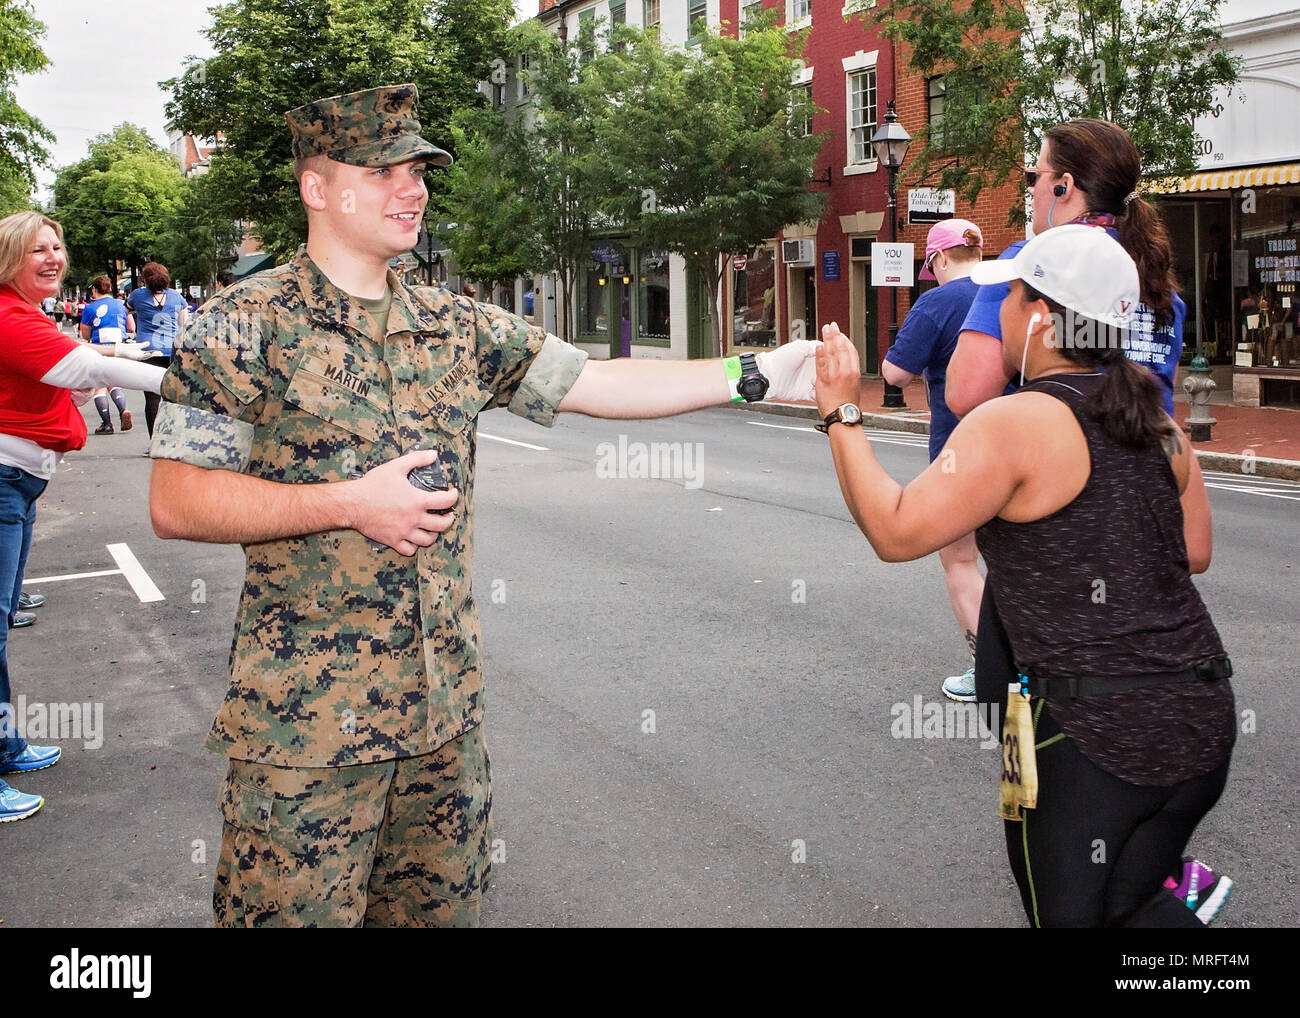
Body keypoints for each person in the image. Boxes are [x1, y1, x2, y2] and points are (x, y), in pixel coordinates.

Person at [147, 83, 820, 927]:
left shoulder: (455, 324)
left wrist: (753, 373)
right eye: (385, 168)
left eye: (420, 169)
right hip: (306, 743)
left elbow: (596, 380)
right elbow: (177, 499)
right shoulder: (240, 325)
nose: (413, 188)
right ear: (317, 186)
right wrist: (349, 503)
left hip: (443, 730)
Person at [815, 225, 1234, 927]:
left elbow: (895, 529)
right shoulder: (1160, 425)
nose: (1001, 311)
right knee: (1130, 906)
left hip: (1093, 736)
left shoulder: (1013, 423)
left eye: (1009, 295)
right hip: (1199, 715)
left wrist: (840, 412)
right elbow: (1194, 550)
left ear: (1038, 316)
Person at [942, 117, 1186, 705]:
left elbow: (965, 391)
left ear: (1064, 186)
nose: (1028, 188)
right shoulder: (1156, 280)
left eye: (1036, 175)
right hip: (1142, 503)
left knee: (1039, 718)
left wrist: (844, 414)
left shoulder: (1035, 263)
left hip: (1048, 507)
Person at [0, 212, 166, 823]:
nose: (52, 257)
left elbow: (79, 353)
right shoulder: (6, 315)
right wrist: (181, 381)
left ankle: (6, 745)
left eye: (56, 245)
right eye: (34, 250)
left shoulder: (22, 313)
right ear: (6, 258)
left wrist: (123, 347)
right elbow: (81, 370)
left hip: (17, 482)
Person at [881, 219, 990, 698]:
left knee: (961, 559)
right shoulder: (1014, 289)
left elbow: (894, 373)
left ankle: (992, 670)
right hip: (1027, 442)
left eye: (930, 264)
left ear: (940, 259)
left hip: (958, 451)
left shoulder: (937, 302)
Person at [126, 261, 188, 438]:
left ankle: (154, 441)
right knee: (173, 396)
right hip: (171, 350)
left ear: (145, 279)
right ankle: (174, 438)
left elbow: (127, 310)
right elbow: (183, 324)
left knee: (152, 398)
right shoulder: (177, 297)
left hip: (149, 350)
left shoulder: (137, 295)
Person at [80, 275, 136, 434]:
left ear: (94, 290)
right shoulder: (121, 305)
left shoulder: (90, 308)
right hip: (118, 346)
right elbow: (131, 327)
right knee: (113, 382)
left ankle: (106, 423)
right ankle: (123, 409)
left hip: (99, 347)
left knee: (99, 386)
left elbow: (85, 334)